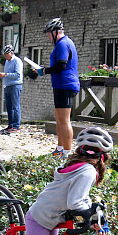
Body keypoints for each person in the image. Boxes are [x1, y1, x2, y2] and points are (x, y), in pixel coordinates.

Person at [37, 18, 80, 159]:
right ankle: (60, 148)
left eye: (49, 33)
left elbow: (61, 64)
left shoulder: (62, 44)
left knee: (64, 119)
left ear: (56, 32)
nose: (48, 36)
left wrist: (45, 71)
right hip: (60, 84)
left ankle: (67, 153)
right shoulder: (63, 43)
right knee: (59, 118)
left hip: (65, 84)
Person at [0, 44, 23, 132]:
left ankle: (16, 125)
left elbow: (17, 74)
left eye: (6, 55)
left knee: (15, 106)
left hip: (15, 85)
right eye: (4, 55)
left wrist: (5, 75)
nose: (5, 57)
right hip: (7, 85)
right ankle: (10, 124)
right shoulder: (7, 61)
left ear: (11, 53)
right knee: (9, 106)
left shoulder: (17, 61)